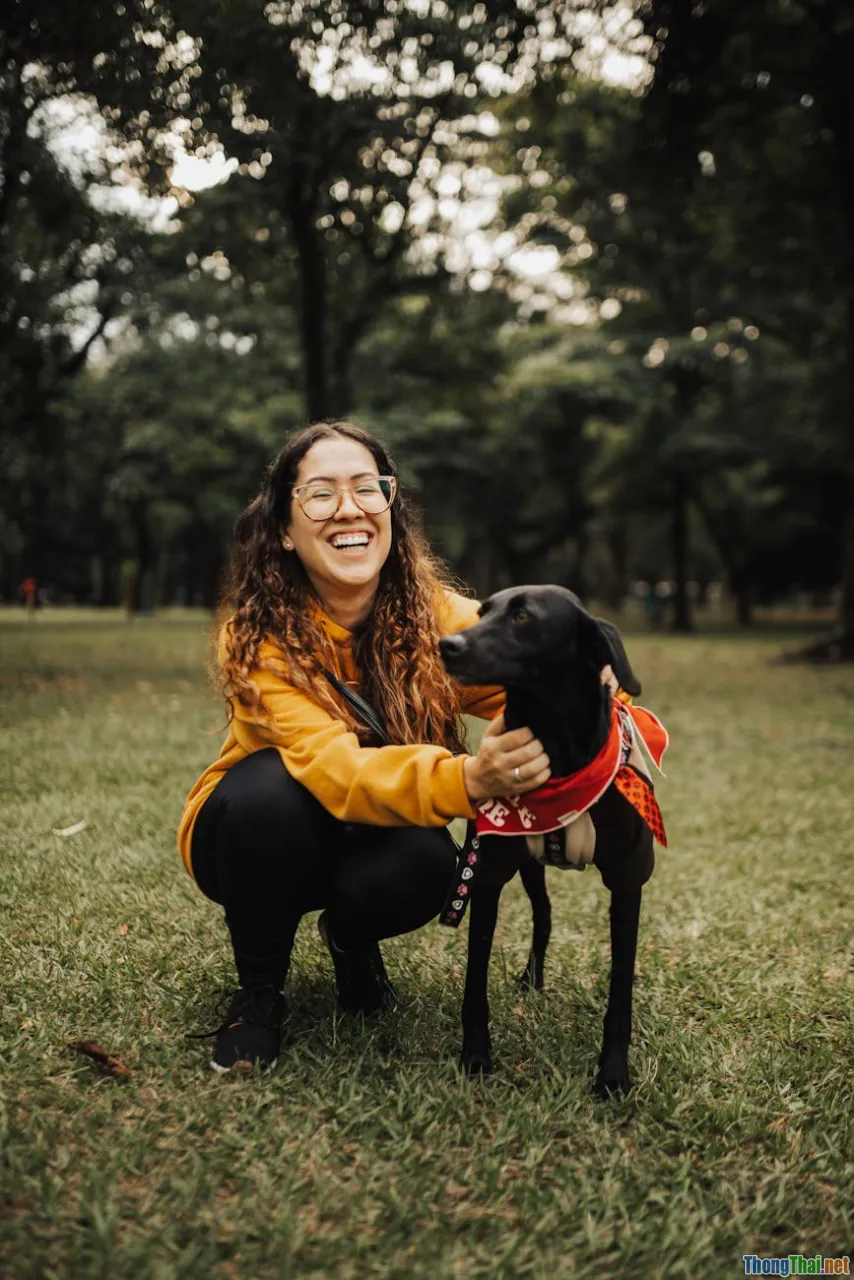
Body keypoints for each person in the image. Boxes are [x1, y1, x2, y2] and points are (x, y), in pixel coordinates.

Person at [178, 420, 552, 1072]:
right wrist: (468, 780)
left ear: (390, 508)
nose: (349, 507)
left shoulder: (435, 615)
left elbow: (536, 677)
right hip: (255, 837)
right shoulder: (255, 636)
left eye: (367, 488)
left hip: (373, 835)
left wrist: (601, 703)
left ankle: (350, 942)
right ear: (285, 531)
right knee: (270, 793)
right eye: (320, 494)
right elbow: (333, 769)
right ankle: (259, 995)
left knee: (424, 860)